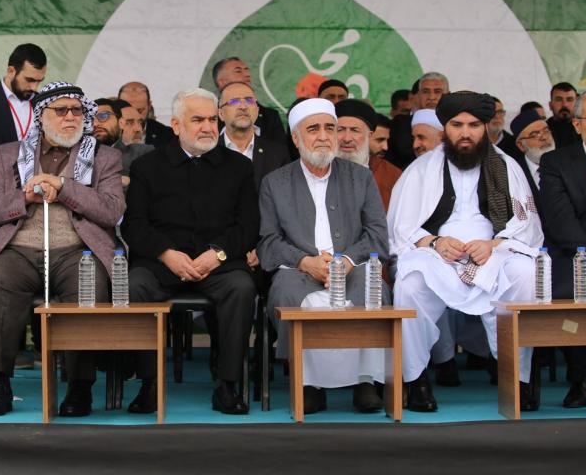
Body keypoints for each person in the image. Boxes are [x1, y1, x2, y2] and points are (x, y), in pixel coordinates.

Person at [0, 81, 125, 417]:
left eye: (77, 110)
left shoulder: (104, 157)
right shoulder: (8, 154)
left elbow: (112, 211)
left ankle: (79, 386)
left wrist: (64, 187)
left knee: (88, 288)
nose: (71, 117)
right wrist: (24, 197)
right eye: (61, 110)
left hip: (77, 250)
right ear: (42, 116)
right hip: (18, 249)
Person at [388, 91, 542, 412]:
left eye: (474, 125)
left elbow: (525, 224)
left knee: (525, 273)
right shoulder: (421, 169)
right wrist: (434, 242)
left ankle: (518, 376)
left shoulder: (506, 166)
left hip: (495, 252)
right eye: (457, 125)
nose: (465, 133)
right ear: (445, 129)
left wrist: (494, 245)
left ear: (486, 127)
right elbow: (401, 227)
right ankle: (415, 379)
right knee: (410, 283)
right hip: (437, 255)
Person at [122, 88, 259, 415]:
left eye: (212, 119)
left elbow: (249, 226)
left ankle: (228, 384)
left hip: (219, 265)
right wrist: (166, 253)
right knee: (135, 286)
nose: (208, 127)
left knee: (242, 288)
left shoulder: (239, 167)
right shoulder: (147, 167)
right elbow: (134, 226)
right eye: (198, 120)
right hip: (162, 264)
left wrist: (218, 254)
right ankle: (149, 383)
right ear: (175, 125)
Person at [257, 98, 389, 414]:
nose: (323, 136)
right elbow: (268, 242)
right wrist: (306, 262)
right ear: (296, 137)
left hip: (352, 266)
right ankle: (308, 383)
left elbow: (377, 235)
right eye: (313, 129)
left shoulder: (360, 177)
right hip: (297, 268)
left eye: (330, 128)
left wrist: (346, 262)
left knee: (373, 292)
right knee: (289, 294)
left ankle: (366, 381)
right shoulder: (275, 182)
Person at [539, 90, 586, 408]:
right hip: (576, 252)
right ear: (578, 125)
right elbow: (559, 219)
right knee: (568, 287)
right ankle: (582, 374)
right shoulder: (556, 162)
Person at [217, 81, 289, 190]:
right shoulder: (206, 153)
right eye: (234, 101)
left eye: (249, 100)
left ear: (257, 110)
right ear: (221, 114)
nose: (243, 106)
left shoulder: (278, 154)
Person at [211, 57, 287, 146]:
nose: (247, 74)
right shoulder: (209, 116)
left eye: (247, 70)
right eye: (238, 71)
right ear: (221, 82)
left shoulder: (269, 117)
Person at [117, 81, 174, 147]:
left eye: (139, 110)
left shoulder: (168, 136)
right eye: (127, 110)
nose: (134, 115)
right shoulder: (108, 133)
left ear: (149, 105)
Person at [546, 82, 580, 148]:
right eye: (559, 100)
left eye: (569, 99)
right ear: (550, 105)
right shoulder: (542, 132)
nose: (564, 104)